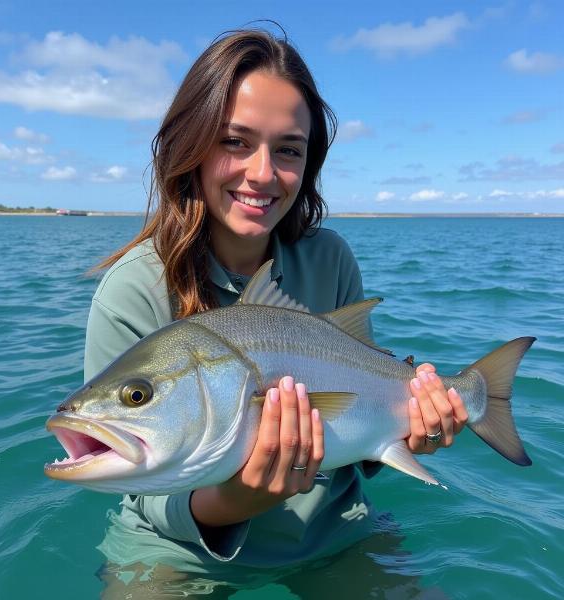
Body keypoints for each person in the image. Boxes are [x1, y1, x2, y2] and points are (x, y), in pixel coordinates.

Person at [87, 28, 468, 595]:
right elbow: (139, 491)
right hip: (175, 549)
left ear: (309, 162)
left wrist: (410, 430)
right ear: (190, 145)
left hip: (330, 531)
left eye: (288, 148)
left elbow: (358, 422)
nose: (263, 173)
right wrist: (239, 499)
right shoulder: (132, 288)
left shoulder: (330, 258)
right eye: (235, 141)